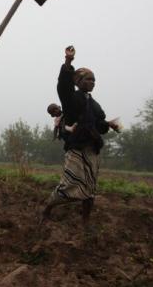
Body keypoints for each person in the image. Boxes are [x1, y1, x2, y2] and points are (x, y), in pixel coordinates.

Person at [41, 45, 119, 226]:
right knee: (68, 184)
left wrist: (108, 124)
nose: (92, 82)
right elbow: (63, 86)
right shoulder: (71, 99)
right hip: (76, 149)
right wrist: (68, 61)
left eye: (94, 80)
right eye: (88, 79)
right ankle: (47, 209)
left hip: (92, 149)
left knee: (90, 187)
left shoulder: (94, 104)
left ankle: (85, 221)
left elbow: (98, 123)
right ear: (78, 81)